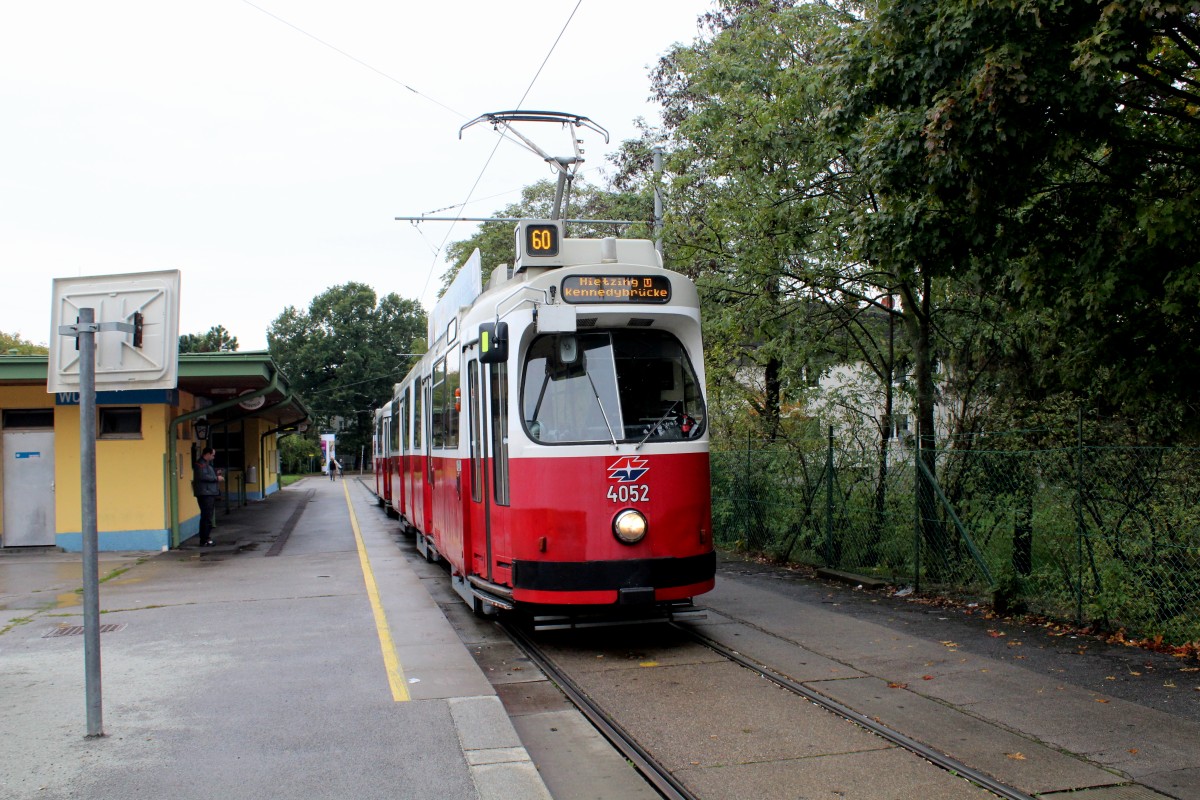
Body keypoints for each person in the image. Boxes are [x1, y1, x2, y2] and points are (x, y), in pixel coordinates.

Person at [193, 446, 223, 547]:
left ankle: (206, 538)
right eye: (213, 455)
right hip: (205, 493)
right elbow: (203, 476)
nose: (214, 457)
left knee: (208, 516)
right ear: (208, 454)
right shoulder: (200, 464)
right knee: (206, 517)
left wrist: (215, 473)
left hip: (208, 493)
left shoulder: (205, 464)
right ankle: (205, 539)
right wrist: (216, 478)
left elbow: (206, 474)